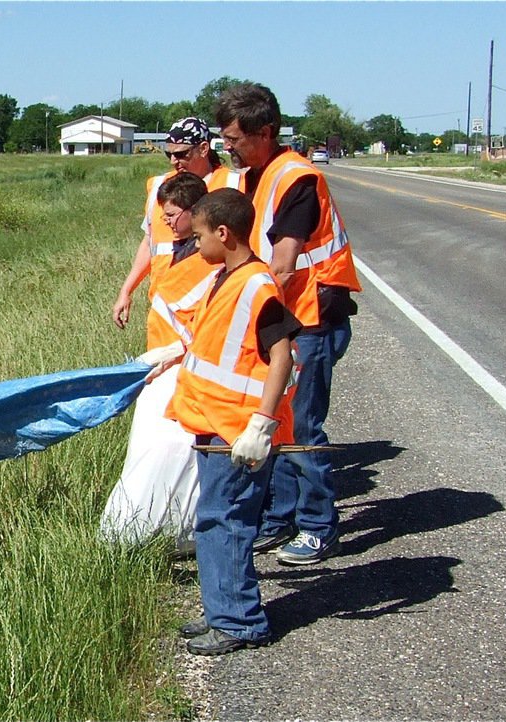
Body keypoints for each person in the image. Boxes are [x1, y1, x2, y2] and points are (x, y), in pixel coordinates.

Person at [214, 83, 362, 565]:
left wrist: (238, 305)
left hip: (312, 316)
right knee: (274, 419)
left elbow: (280, 263)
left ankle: (320, 526)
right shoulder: (252, 175)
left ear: (266, 131)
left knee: (301, 427)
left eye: (235, 137)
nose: (228, 146)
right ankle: (280, 517)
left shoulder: (296, 178)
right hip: (283, 316)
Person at [154, 188, 301, 655]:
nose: (195, 245)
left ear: (223, 233)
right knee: (213, 520)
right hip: (213, 420)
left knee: (228, 521)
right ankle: (222, 609)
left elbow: (282, 356)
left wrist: (262, 425)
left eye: (199, 236)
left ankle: (240, 623)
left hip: (237, 429)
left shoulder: (257, 284)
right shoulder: (226, 276)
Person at [99, 171, 219, 551]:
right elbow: (149, 247)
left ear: (195, 212)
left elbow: (207, 323)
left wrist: (177, 356)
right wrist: (126, 291)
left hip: (186, 369)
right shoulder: (178, 244)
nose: (165, 223)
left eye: (171, 215)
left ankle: (176, 530)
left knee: (173, 451)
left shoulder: (210, 257)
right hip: (162, 361)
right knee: (148, 447)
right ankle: (148, 527)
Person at [111, 117, 235, 331]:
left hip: (214, 308)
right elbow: (150, 243)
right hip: (166, 307)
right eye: (169, 154)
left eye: (181, 154)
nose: (173, 161)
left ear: (204, 149)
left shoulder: (232, 185)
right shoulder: (161, 187)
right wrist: (126, 291)